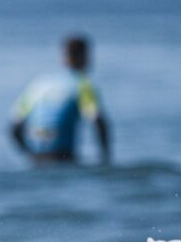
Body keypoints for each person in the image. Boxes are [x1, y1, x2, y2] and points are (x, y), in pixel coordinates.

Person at [10, 35, 111, 164]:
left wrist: (28, 154)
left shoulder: (40, 84)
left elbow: (14, 127)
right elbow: (98, 120)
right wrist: (106, 158)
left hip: (37, 156)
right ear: (84, 57)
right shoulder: (83, 84)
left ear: (64, 56)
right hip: (63, 156)